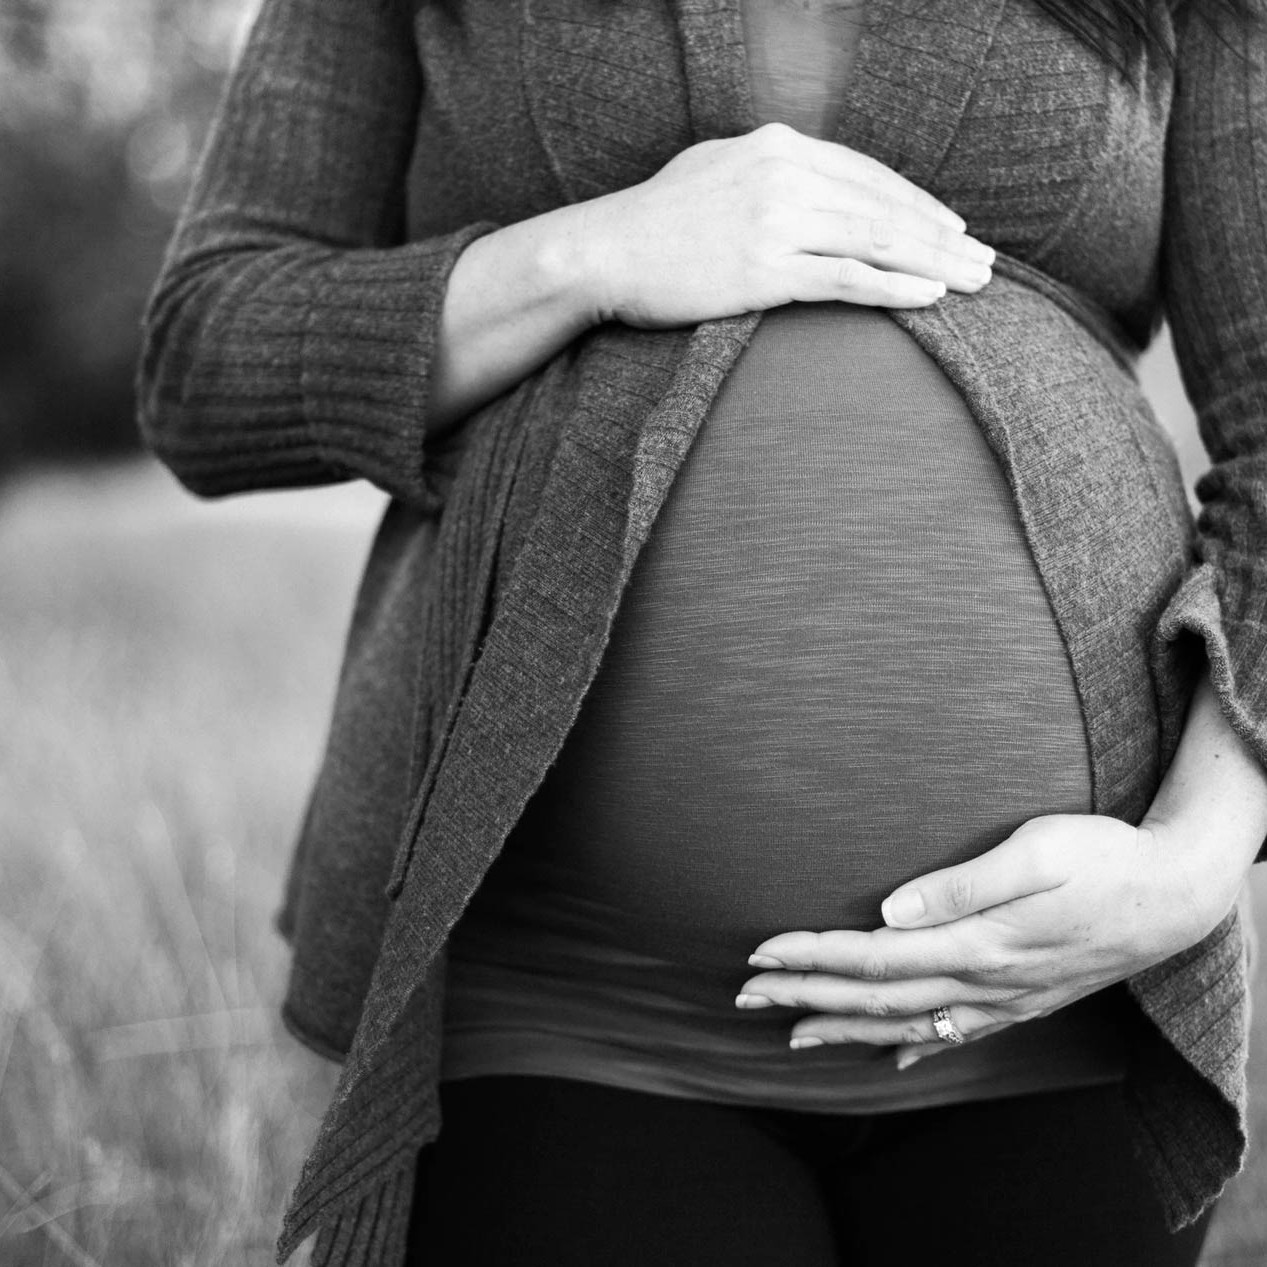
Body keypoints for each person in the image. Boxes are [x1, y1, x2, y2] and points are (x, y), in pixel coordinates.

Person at [137, 0, 1267, 1264]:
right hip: (568, 1012)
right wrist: (592, 253)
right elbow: (206, 359)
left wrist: (1189, 861)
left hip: (1065, 1003)